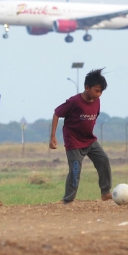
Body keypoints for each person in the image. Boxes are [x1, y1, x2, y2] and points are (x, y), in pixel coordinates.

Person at [49, 68, 112, 203]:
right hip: (74, 141)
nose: (99, 94)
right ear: (86, 87)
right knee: (75, 170)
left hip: (89, 140)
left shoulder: (97, 100)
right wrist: (52, 136)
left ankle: (105, 192)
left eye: (101, 91)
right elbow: (57, 114)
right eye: (96, 90)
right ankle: (68, 200)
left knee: (103, 160)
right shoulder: (74, 101)